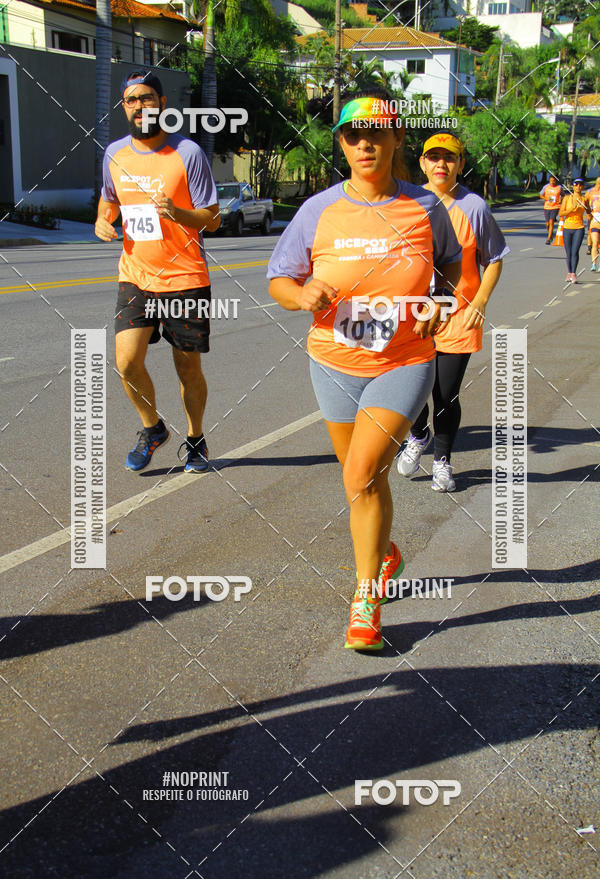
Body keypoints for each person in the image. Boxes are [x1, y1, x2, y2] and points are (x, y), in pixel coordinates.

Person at [267, 93, 462, 651]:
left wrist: (437, 304)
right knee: (364, 483)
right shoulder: (318, 210)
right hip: (332, 361)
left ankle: (365, 595)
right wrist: (302, 292)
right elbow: (281, 279)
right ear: (342, 144)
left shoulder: (426, 207)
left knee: (359, 475)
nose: (365, 144)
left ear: (398, 140)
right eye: (354, 135)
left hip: (403, 360)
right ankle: (384, 553)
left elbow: (451, 267)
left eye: (377, 133)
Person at [95, 70, 220, 472]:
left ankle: (196, 437)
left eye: (146, 98)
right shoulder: (115, 154)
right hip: (136, 274)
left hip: (185, 278)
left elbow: (213, 219)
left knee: (187, 366)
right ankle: (153, 429)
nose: (139, 106)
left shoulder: (187, 153)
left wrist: (178, 213)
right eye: (131, 100)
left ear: (162, 104)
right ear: (125, 107)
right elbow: (108, 200)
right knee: (126, 361)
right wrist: (103, 220)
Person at [396, 134, 509, 492]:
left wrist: (480, 303)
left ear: (461, 164)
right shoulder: (409, 203)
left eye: (450, 158)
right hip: (414, 315)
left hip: (457, 314)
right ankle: (418, 434)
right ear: (423, 163)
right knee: (410, 392)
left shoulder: (474, 206)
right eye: (434, 157)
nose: (441, 164)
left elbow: (494, 260)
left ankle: (443, 461)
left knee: (446, 394)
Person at [558, 178, 591, 284]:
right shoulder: (567, 198)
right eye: (576, 185)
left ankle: (573, 273)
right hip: (568, 227)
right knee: (568, 252)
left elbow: (589, 211)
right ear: (573, 186)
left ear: (582, 187)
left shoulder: (584, 198)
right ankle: (569, 272)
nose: (578, 187)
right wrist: (571, 209)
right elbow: (561, 213)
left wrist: (588, 213)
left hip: (579, 227)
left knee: (575, 251)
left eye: (580, 185)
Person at [539, 175, 562, 244]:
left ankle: (549, 239)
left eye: (553, 181)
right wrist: (546, 198)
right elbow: (540, 195)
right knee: (547, 223)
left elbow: (563, 195)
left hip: (555, 207)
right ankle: (550, 234)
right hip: (547, 207)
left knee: (551, 221)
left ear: (556, 181)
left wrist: (560, 200)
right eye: (551, 181)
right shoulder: (546, 187)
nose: (552, 182)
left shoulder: (559, 187)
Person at [585, 177, 600, 271]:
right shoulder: (591, 192)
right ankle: (594, 264)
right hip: (594, 222)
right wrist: (588, 213)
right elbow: (585, 202)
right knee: (595, 243)